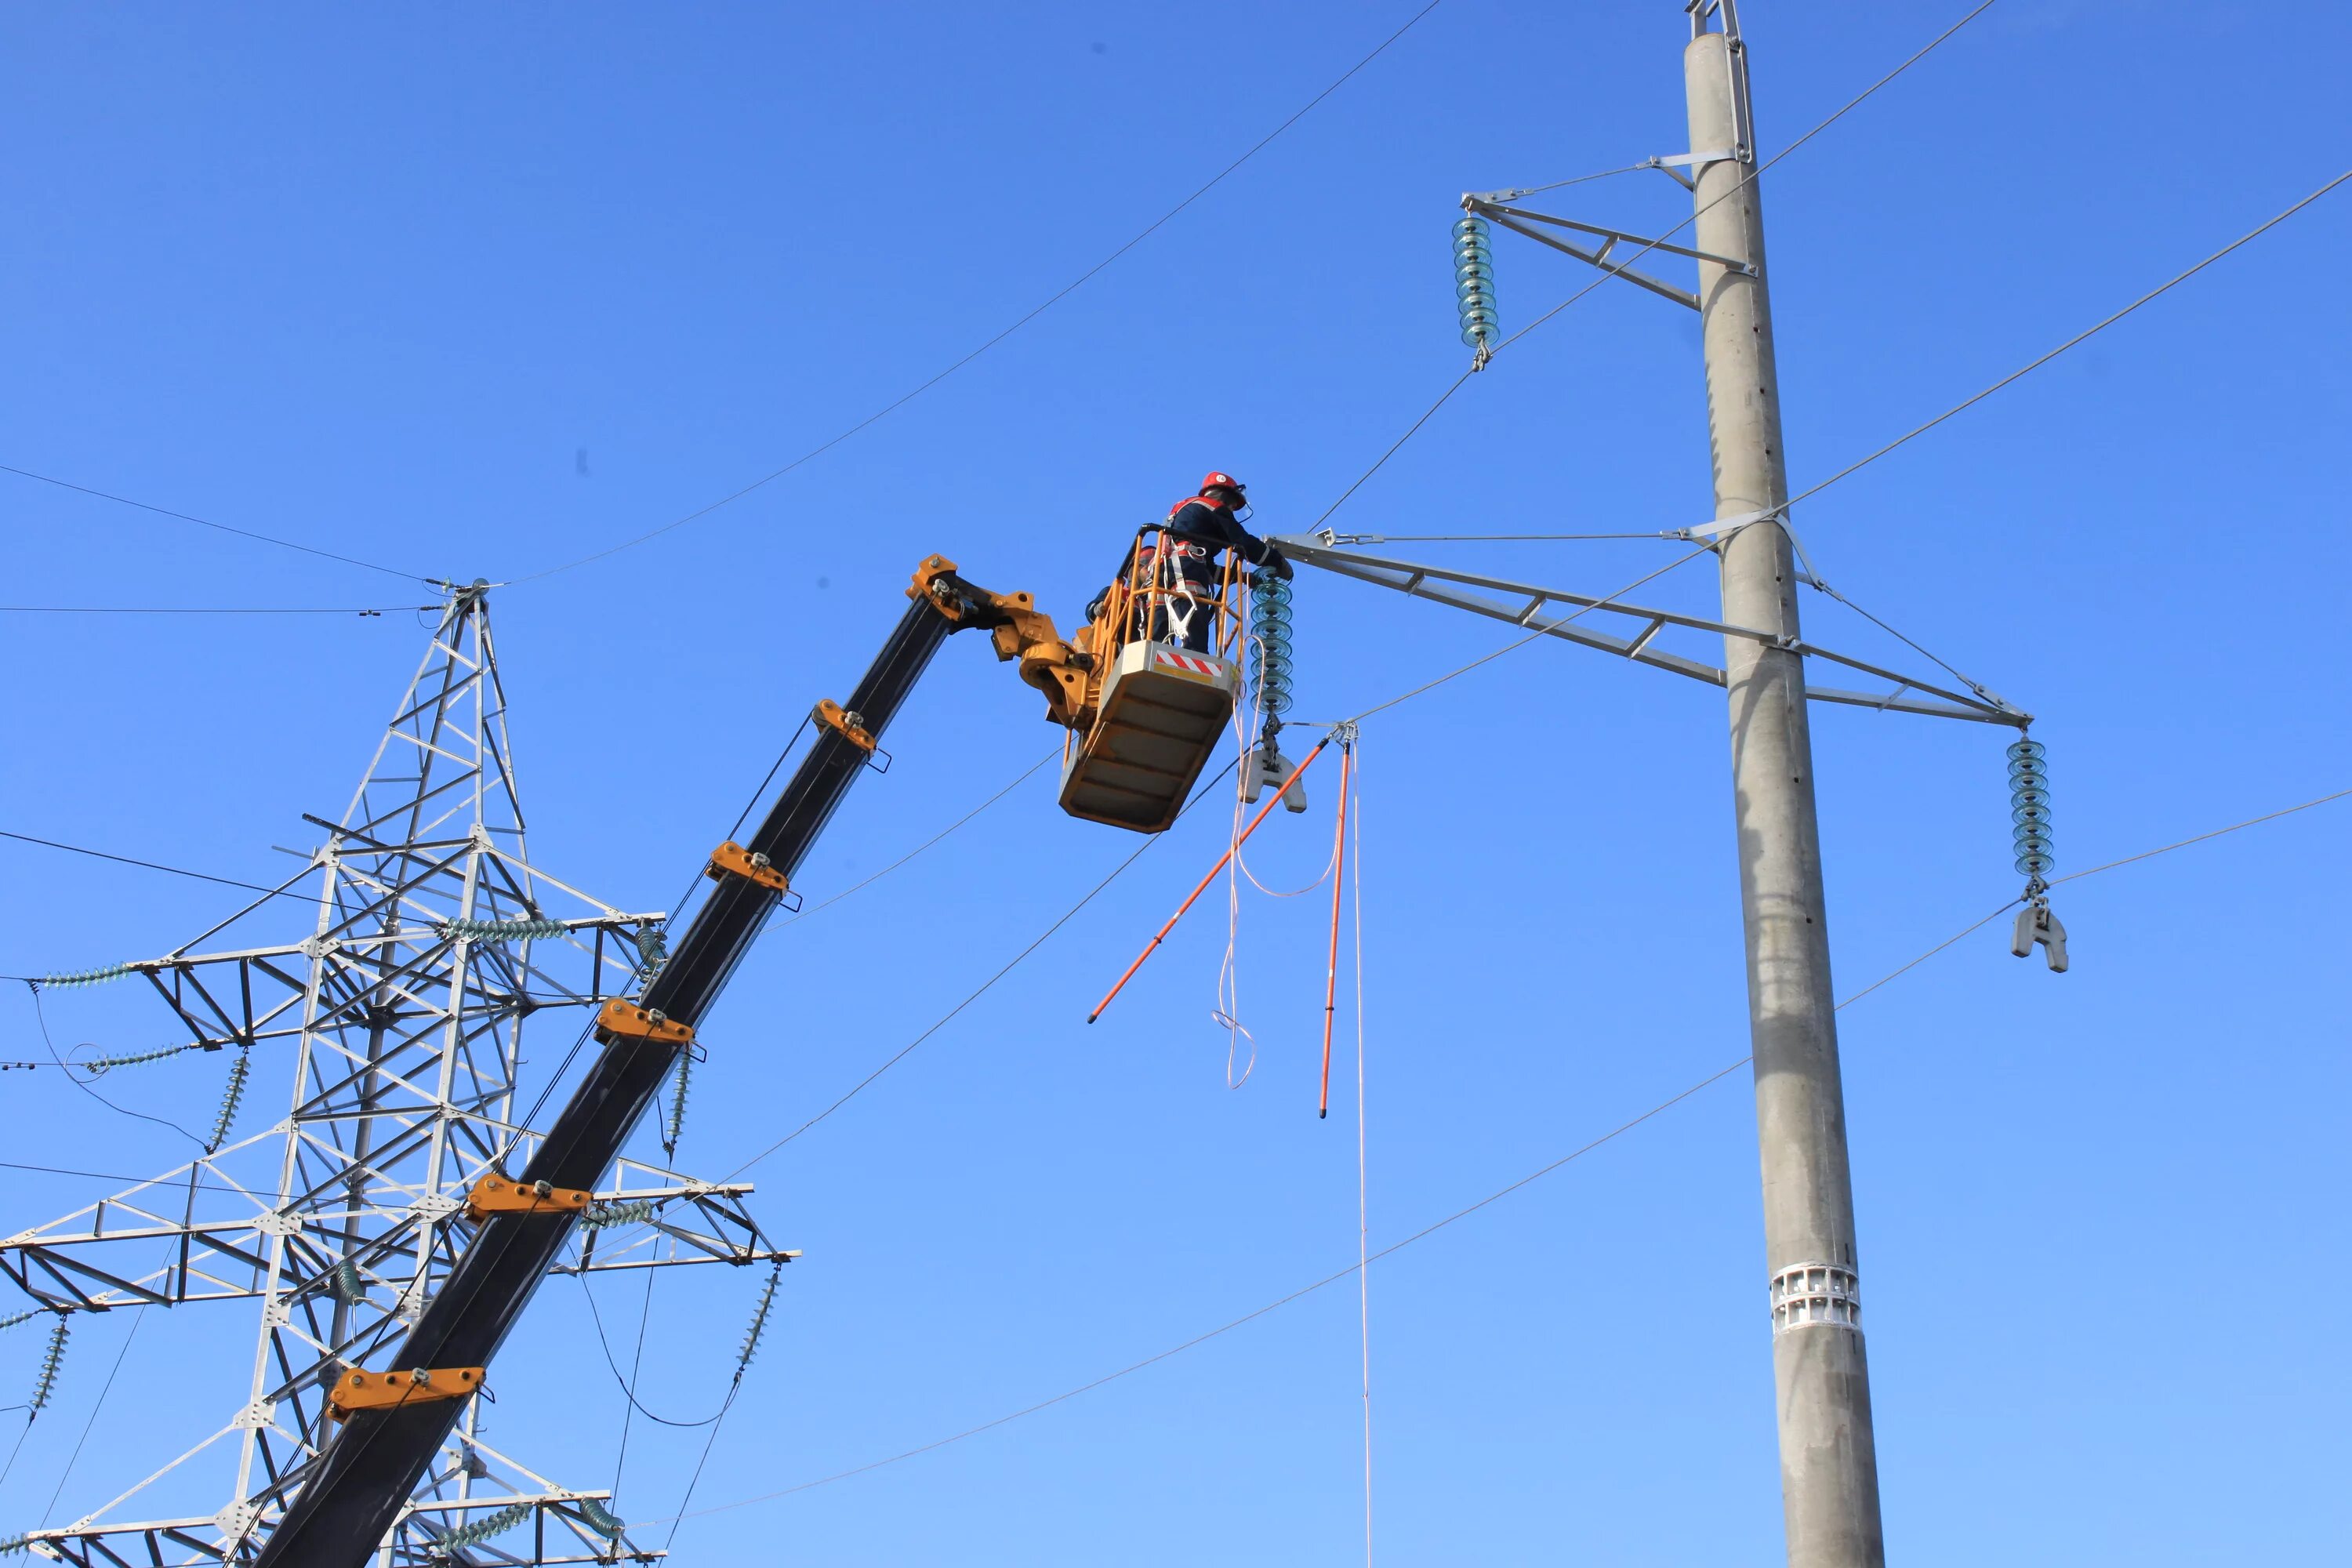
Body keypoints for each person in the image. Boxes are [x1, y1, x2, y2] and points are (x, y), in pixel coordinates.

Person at [1148, 471, 1290, 652]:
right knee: (1195, 627)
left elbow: (1207, 568)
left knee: (1159, 630)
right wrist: (1276, 560)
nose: (1231, 511)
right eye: (1232, 506)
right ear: (1225, 497)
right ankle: (1195, 660)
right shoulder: (1213, 507)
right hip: (1186, 569)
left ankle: (1154, 656)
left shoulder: (1183, 510)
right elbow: (1242, 541)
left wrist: (1242, 577)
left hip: (1163, 572)